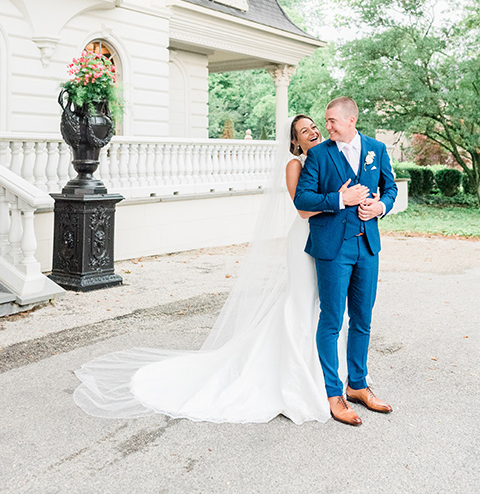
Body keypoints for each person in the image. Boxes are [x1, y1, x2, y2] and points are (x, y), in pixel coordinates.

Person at [74, 115, 350, 424]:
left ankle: (328, 372)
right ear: (294, 142)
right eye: (303, 131)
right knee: (302, 300)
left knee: (322, 304)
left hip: (330, 240)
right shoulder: (294, 166)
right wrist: (339, 199)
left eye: (313, 127)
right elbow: (302, 207)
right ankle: (299, 375)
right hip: (304, 239)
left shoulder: (329, 157)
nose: (311, 132)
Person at [294, 97, 398, 426]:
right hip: (332, 249)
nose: (326, 127)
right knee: (332, 321)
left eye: (331, 121)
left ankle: (358, 385)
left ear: (350, 120)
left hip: (367, 246)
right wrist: (341, 199)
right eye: (325, 121)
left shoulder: (376, 149)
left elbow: (390, 187)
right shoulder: (319, 155)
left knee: (363, 320)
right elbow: (302, 198)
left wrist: (380, 208)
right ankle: (333, 393)